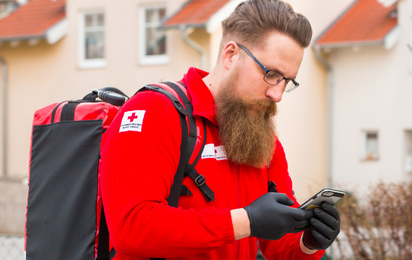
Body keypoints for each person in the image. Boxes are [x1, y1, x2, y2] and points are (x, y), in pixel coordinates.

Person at [101, 0, 341, 259]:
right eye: (271, 74)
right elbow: (131, 229)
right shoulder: (155, 111)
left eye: (287, 81)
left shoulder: (260, 136)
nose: (277, 94)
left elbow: (281, 249)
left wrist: (309, 241)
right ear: (230, 54)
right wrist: (245, 221)